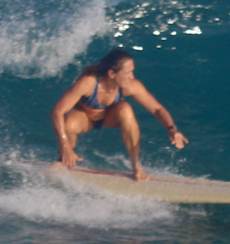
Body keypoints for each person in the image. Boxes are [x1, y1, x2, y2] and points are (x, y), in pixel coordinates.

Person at [52, 48, 188, 180]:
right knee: (69, 123)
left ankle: (136, 166)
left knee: (125, 109)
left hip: (109, 118)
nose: (132, 76)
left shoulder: (130, 86)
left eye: (132, 72)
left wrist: (172, 129)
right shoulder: (88, 82)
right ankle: (62, 158)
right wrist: (65, 145)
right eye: (128, 73)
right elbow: (57, 111)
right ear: (112, 74)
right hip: (85, 118)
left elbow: (157, 109)